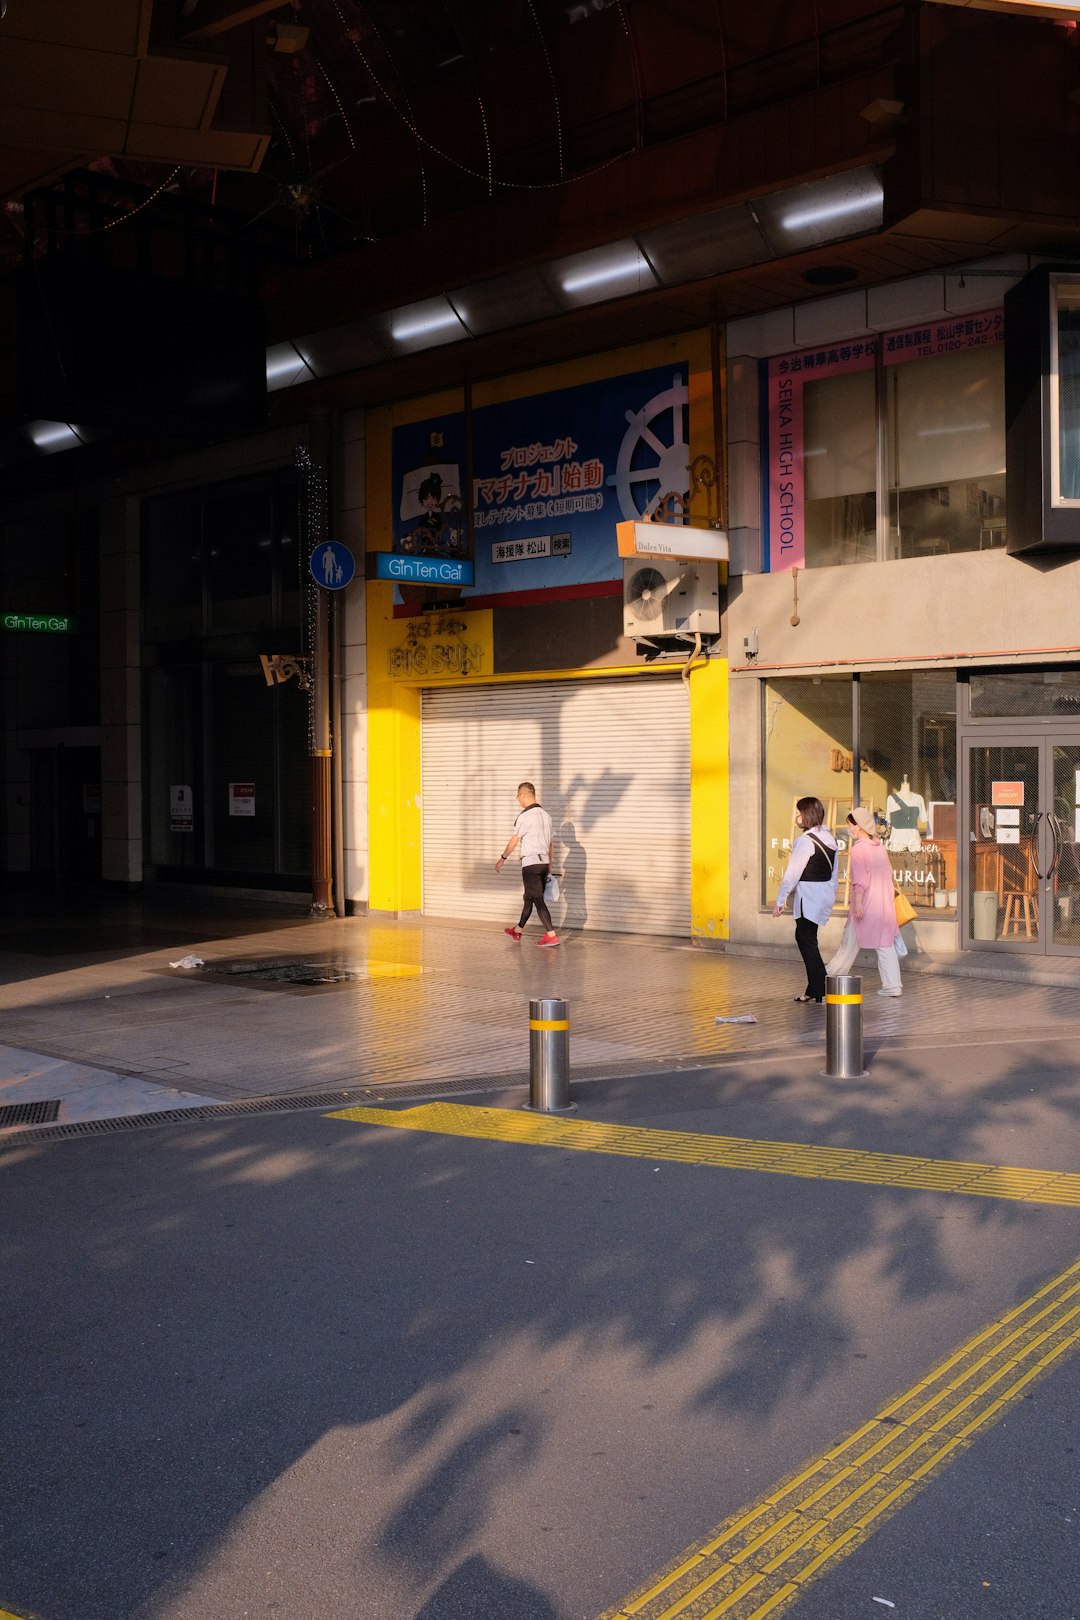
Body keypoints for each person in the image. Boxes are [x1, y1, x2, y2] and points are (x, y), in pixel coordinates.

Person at [825, 805, 903, 997]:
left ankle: (827, 978)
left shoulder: (859, 849)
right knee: (885, 945)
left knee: (849, 943)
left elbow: (860, 880)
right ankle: (893, 985)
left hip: (866, 903)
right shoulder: (879, 847)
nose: (849, 829)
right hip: (884, 903)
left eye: (850, 825)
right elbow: (889, 875)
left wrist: (857, 903)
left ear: (858, 826)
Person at [772, 796, 838, 1003]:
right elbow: (834, 874)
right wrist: (829, 897)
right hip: (822, 896)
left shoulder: (805, 841)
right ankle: (816, 987)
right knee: (809, 939)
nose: (796, 817)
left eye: (799, 813)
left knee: (805, 939)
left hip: (808, 898)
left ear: (806, 815)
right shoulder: (830, 838)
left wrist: (780, 900)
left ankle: (818, 988)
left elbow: (793, 873)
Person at [495, 782, 559, 947]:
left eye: (518, 797)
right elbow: (551, 845)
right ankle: (517, 931)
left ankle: (551, 935)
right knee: (529, 898)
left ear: (523, 795)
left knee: (537, 899)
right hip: (543, 863)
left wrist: (503, 858)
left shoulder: (524, 816)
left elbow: (515, 840)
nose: (518, 801)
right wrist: (549, 867)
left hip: (531, 864)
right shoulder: (547, 816)